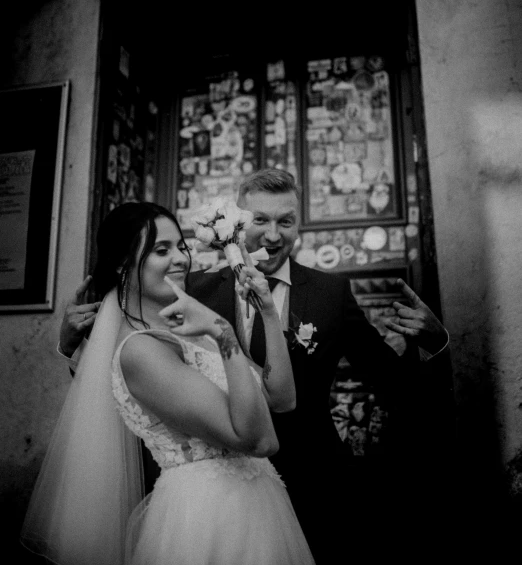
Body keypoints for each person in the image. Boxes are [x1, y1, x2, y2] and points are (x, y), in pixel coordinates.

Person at [58, 171, 451, 563]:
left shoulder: (331, 294)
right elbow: (130, 377)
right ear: (235, 223)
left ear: (299, 224)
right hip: (215, 501)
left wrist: (435, 343)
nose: (273, 235)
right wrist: (72, 347)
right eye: (260, 220)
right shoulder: (188, 288)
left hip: (316, 484)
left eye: (286, 221)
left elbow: (393, 382)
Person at [22, 202, 316, 565]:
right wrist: (221, 328)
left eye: (181, 246)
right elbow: (259, 439)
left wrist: (268, 311)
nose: (180, 258)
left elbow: (281, 398)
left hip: (256, 507)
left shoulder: (188, 329)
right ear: (122, 264)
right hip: (205, 516)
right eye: (162, 250)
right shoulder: (141, 351)